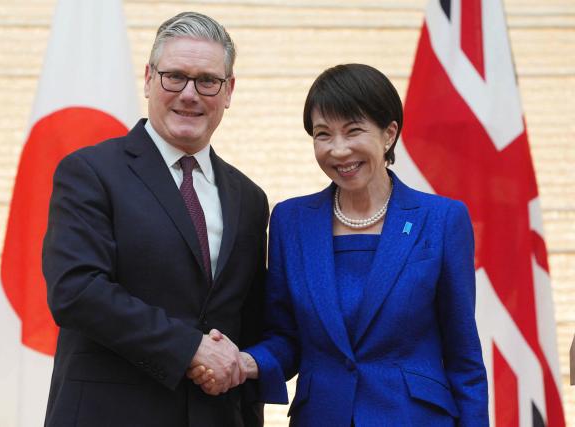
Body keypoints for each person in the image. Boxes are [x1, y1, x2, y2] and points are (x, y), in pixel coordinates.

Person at [190, 64, 488, 426]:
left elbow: (464, 357)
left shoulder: (440, 219)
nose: (339, 150)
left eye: (353, 131)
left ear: (389, 133)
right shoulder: (290, 221)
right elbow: (286, 336)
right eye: (323, 134)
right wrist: (245, 363)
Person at [42, 12, 268, 427]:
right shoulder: (90, 172)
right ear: (148, 78)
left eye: (207, 81)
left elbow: (246, 327)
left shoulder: (250, 199)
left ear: (229, 90)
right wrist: (189, 348)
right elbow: (75, 290)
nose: (189, 93)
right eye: (174, 76)